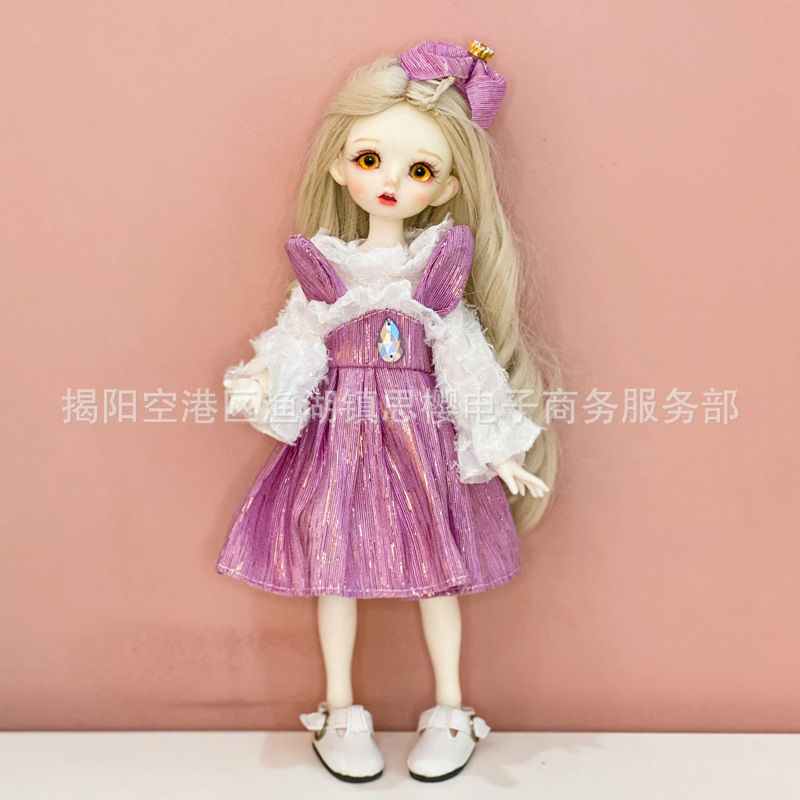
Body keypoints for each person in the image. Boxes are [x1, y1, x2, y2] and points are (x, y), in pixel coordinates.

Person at [219, 39, 560, 783]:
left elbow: (465, 363)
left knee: (437, 572)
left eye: (419, 170)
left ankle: (451, 708)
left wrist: (499, 447)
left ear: (443, 189)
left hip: (422, 440)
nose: (391, 182)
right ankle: (340, 709)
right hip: (338, 438)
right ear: (340, 168)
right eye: (370, 160)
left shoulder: (434, 273)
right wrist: (261, 381)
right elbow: (297, 343)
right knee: (333, 564)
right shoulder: (326, 271)